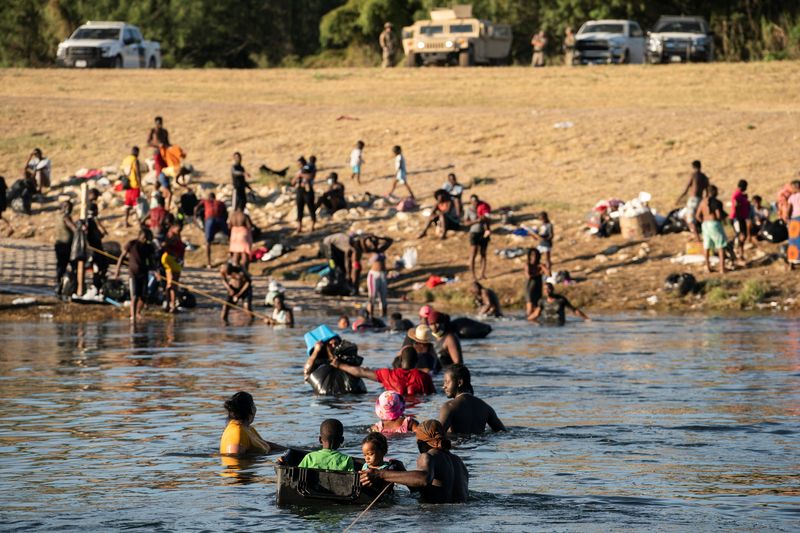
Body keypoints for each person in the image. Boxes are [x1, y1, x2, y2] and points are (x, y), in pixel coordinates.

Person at [360, 419, 468, 504]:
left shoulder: (428, 456)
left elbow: (423, 479)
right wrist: (401, 470)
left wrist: (379, 474)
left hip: (435, 518)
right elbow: (421, 489)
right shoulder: (458, 461)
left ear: (420, 443)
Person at [331, 345, 435, 396]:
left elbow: (361, 372)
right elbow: (433, 395)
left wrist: (339, 365)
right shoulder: (425, 377)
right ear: (416, 360)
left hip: (394, 406)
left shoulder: (388, 374)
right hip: (418, 405)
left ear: (401, 360)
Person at [440, 365, 505, 434]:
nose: (444, 386)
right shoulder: (486, 407)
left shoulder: (449, 406)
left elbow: (436, 436)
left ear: (459, 383)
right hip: (479, 444)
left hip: (457, 444)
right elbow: (502, 432)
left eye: (447, 382)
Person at [220, 391, 284, 456]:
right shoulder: (237, 431)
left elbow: (264, 443)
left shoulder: (248, 428)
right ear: (251, 410)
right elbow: (233, 458)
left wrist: (288, 450)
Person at [114, 228, 156, 324]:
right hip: (133, 274)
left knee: (144, 296)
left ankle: (137, 312)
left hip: (144, 273)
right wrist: (117, 270)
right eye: (145, 237)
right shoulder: (132, 244)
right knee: (134, 296)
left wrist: (155, 270)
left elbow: (152, 261)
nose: (146, 240)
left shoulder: (149, 247)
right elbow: (121, 257)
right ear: (142, 236)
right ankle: (133, 317)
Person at [696, 184, 730, 274]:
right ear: (714, 192)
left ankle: (708, 267)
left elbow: (697, 216)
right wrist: (723, 220)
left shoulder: (703, 202)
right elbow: (718, 215)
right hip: (714, 224)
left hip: (705, 225)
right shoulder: (716, 202)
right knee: (720, 246)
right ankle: (722, 268)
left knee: (706, 247)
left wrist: (704, 220)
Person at [677, 160, 710, 242]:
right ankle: (695, 234)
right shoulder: (704, 177)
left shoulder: (694, 175)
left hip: (693, 200)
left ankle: (698, 239)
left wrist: (679, 198)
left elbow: (686, 188)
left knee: (690, 220)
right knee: (696, 218)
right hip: (700, 200)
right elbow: (707, 191)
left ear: (693, 167)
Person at [194, 192, 228, 268]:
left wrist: (195, 217)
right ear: (215, 197)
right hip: (220, 219)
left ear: (209, 197)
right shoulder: (220, 202)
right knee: (230, 237)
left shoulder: (205, 201)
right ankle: (232, 257)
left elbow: (196, 208)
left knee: (208, 242)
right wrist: (224, 221)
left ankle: (209, 263)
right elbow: (226, 212)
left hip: (209, 220)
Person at [365, 234, 393, 318]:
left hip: (382, 274)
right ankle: (370, 316)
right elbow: (363, 243)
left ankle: (383, 316)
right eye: (374, 241)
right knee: (372, 297)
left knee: (383, 298)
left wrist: (380, 237)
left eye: (376, 241)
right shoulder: (370, 249)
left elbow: (390, 240)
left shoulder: (382, 249)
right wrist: (367, 238)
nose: (375, 242)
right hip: (373, 275)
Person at [464, 194, 491, 279]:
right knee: (473, 254)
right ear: (471, 202)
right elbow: (466, 223)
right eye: (473, 201)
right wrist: (476, 221)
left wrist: (487, 228)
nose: (475, 203)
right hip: (474, 232)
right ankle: (473, 275)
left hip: (483, 232)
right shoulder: (468, 210)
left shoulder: (483, 208)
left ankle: (482, 274)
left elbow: (488, 219)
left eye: (476, 201)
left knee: (483, 254)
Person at [161, 223, 185, 313]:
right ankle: (168, 303)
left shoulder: (177, 236)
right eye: (178, 231)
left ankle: (173, 304)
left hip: (177, 261)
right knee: (170, 283)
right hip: (169, 259)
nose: (179, 232)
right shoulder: (170, 236)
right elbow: (165, 246)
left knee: (175, 284)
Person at [120, 146, 146, 227]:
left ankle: (125, 221)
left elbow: (122, 170)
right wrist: (140, 185)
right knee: (136, 205)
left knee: (127, 204)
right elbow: (138, 173)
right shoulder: (134, 160)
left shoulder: (126, 159)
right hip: (134, 185)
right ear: (137, 152)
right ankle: (139, 222)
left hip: (127, 185)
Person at [54, 201, 76, 295]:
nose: (70, 210)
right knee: (72, 265)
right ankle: (69, 286)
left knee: (61, 266)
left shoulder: (58, 216)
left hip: (58, 244)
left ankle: (59, 284)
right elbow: (73, 228)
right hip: (66, 245)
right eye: (68, 207)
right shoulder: (66, 217)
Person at [292, 157, 316, 233]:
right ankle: (299, 225)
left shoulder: (310, 169)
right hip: (299, 190)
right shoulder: (298, 171)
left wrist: (302, 175)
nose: (298, 165)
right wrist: (297, 177)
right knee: (299, 208)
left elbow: (311, 176)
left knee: (311, 207)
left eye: (299, 164)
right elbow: (292, 182)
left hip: (308, 190)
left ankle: (312, 224)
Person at [731, 179, 751, 262]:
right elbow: (736, 205)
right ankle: (736, 253)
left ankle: (741, 254)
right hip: (737, 218)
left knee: (743, 236)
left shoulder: (741, 195)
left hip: (741, 218)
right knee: (741, 236)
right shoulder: (737, 195)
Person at [525, 248, 548, 319]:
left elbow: (548, 274)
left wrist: (543, 267)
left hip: (538, 287)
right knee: (530, 306)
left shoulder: (540, 265)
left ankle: (535, 322)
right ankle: (528, 320)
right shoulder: (528, 265)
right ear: (530, 256)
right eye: (532, 255)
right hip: (530, 287)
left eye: (536, 255)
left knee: (538, 306)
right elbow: (528, 276)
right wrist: (539, 273)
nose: (534, 257)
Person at [785, 180, 800, 269]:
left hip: (794, 221)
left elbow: (788, 212)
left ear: (795, 187)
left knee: (793, 241)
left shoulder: (792, 197)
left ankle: (791, 262)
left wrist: (788, 220)